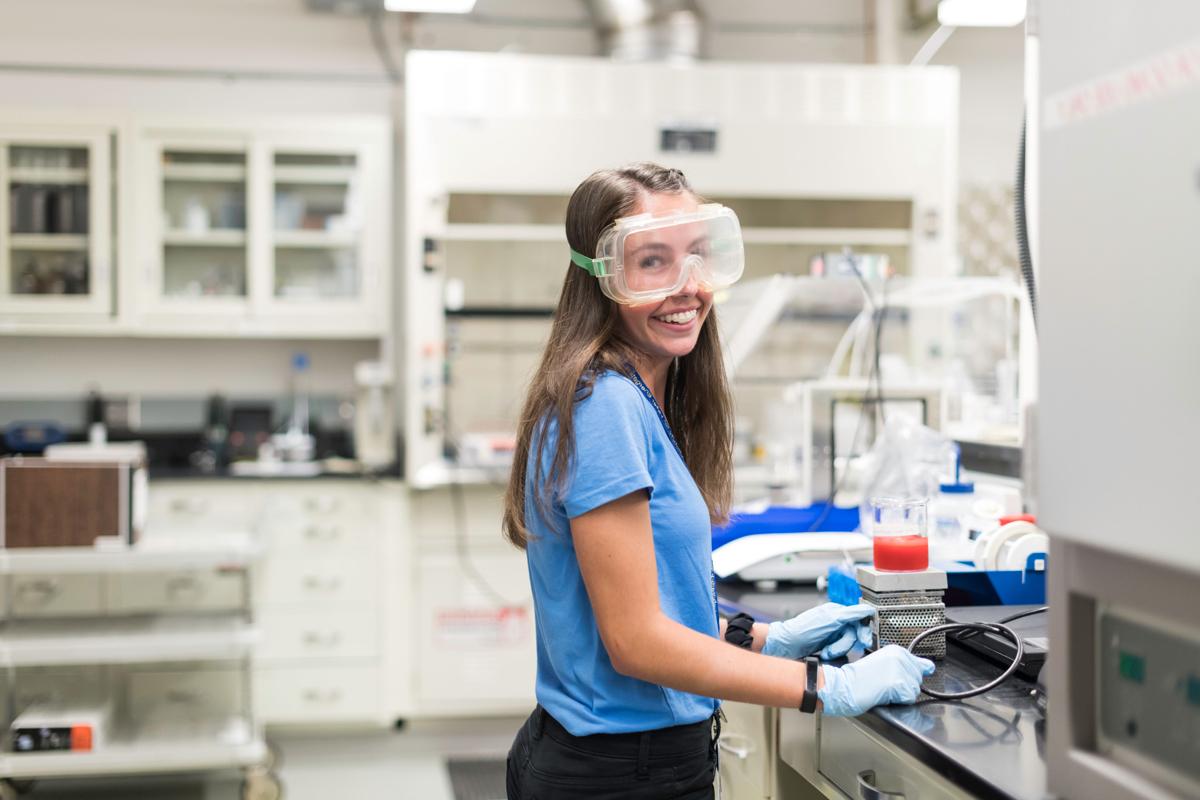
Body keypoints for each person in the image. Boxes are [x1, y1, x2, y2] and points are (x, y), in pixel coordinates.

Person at [501, 163, 934, 800]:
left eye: (699, 256)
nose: (688, 286)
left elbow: (654, 606)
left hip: (614, 759)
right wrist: (823, 686)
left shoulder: (631, 395)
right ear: (602, 276)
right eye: (652, 262)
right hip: (620, 776)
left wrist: (767, 638)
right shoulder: (606, 407)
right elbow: (636, 643)